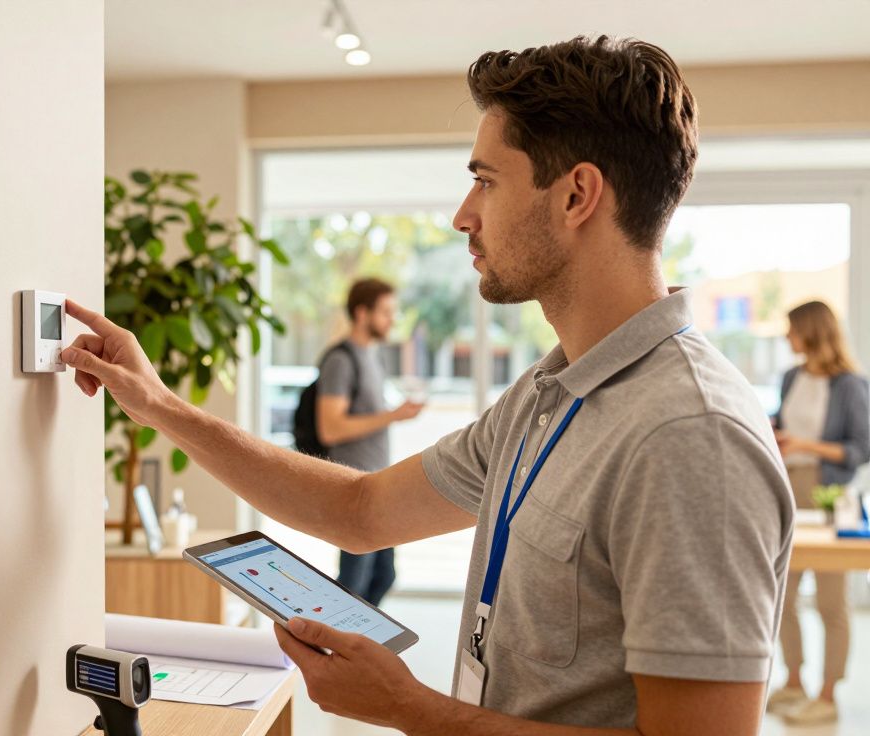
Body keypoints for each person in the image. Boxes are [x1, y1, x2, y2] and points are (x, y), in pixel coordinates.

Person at [62, 35, 791, 735]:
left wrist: (410, 709)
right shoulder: (548, 393)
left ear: (576, 196)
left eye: (484, 180)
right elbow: (360, 509)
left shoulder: (691, 434)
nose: (461, 215)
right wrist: (159, 407)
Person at [767, 300, 870, 726]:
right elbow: (783, 422)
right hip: (790, 488)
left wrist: (805, 445)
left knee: (831, 601)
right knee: (783, 595)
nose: (787, 337)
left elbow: (861, 448)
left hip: (836, 494)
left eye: (792, 329)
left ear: (811, 331)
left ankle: (827, 693)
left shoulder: (850, 384)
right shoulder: (791, 377)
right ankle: (794, 682)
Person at [317, 278, 423, 606]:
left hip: (378, 485)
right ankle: (333, 643)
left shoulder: (373, 357)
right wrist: (393, 416)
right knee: (354, 582)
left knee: (383, 575)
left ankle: (355, 639)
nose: (392, 319)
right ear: (362, 314)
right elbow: (330, 429)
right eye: (386, 312)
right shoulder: (340, 360)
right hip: (352, 487)